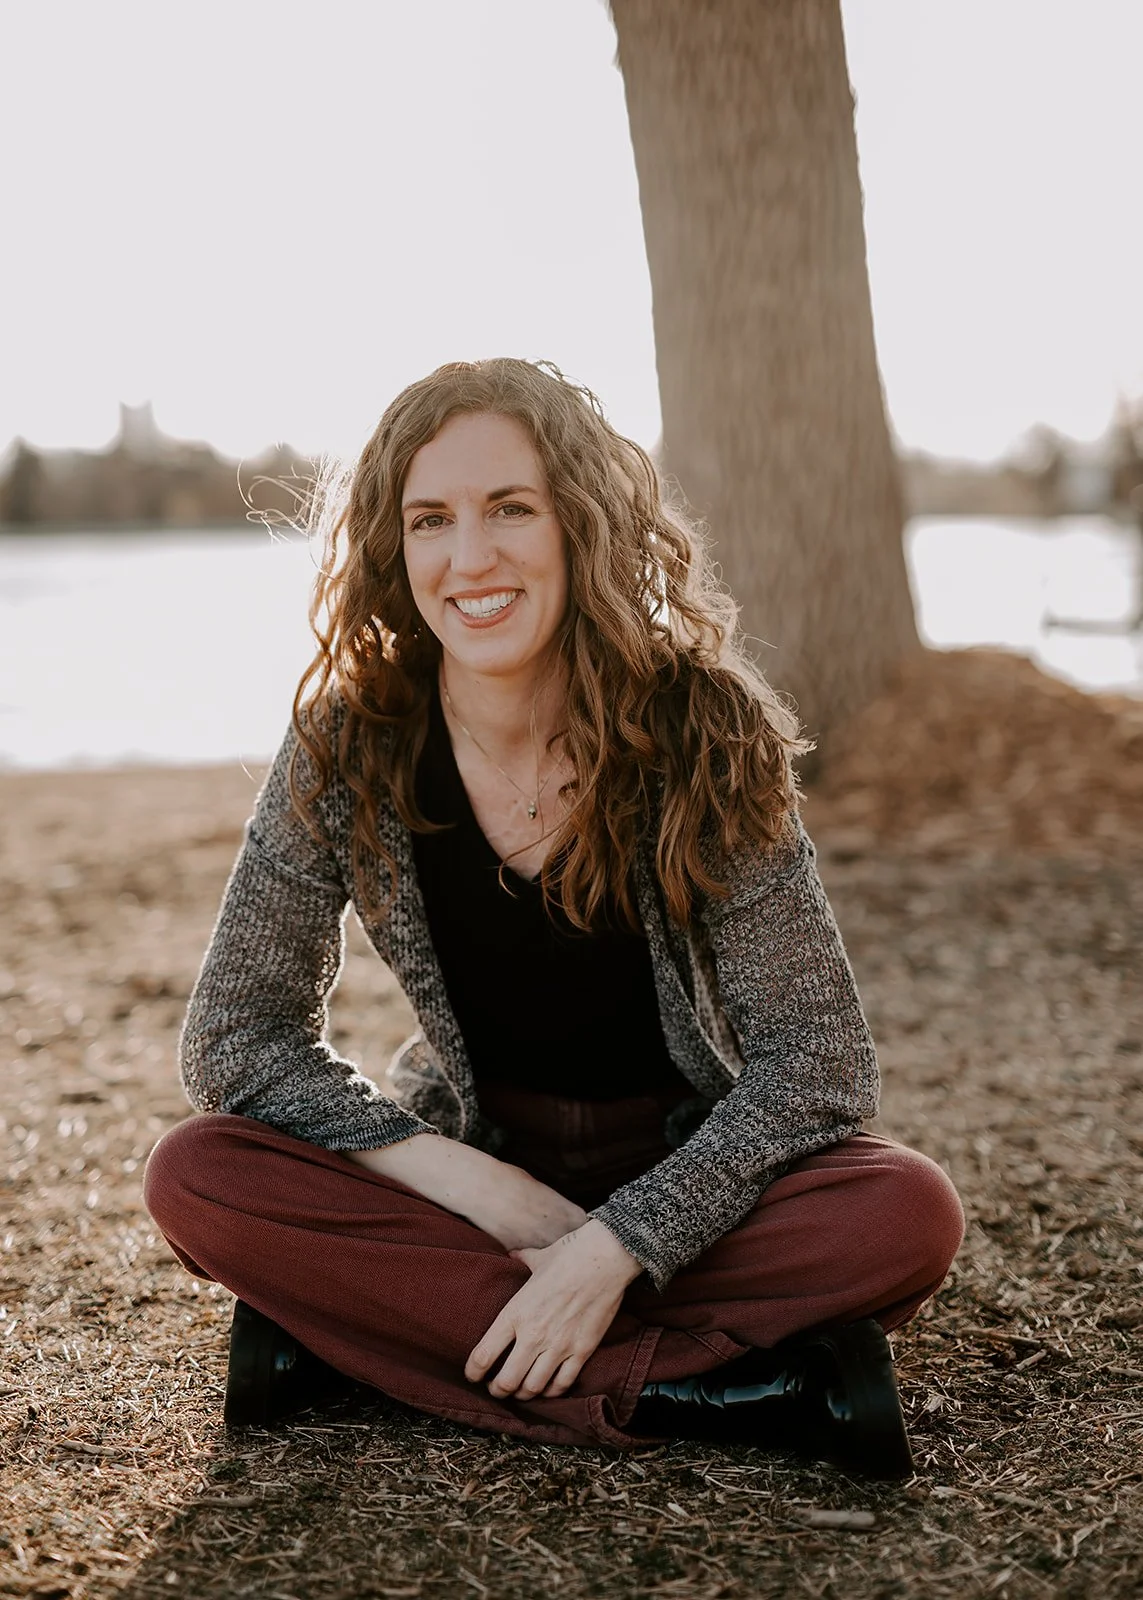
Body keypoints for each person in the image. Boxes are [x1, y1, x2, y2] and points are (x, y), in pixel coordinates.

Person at [143, 358, 964, 1481]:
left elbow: (816, 1060)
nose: (469, 557)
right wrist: (482, 1189)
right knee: (198, 1172)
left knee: (903, 1212)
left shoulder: (702, 728)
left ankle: (374, 1344)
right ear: (399, 550)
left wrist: (618, 1244)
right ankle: (709, 1392)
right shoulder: (349, 744)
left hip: (686, 1174)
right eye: (431, 519)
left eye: (509, 508)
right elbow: (235, 1039)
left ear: (578, 525)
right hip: (476, 1176)